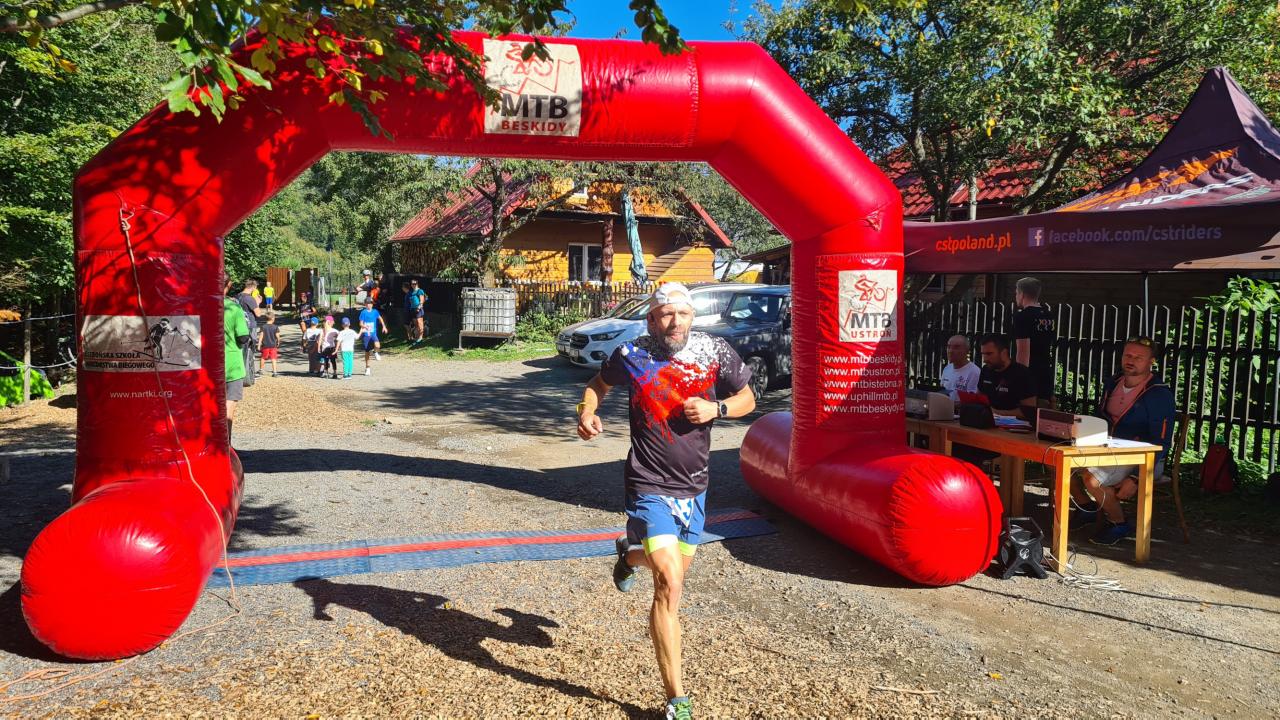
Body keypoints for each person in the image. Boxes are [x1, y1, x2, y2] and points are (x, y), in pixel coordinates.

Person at [576, 281, 756, 720]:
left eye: (683, 314)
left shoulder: (713, 351)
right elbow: (597, 384)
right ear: (652, 320)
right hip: (648, 483)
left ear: (693, 316)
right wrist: (586, 412)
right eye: (666, 315)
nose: (675, 322)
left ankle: (628, 556)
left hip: (695, 487)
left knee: (667, 570)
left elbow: (748, 398)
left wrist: (717, 409)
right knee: (671, 584)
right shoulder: (632, 353)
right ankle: (677, 700)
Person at [1070, 336, 1177, 545]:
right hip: (1107, 450)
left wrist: (1136, 477)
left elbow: (1161, 443)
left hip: (1143, 459)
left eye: (1138, 357)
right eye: (1128, 355)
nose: (1131, 360)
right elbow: (1102, 418)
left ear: (1151, 362)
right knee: (1059, 465)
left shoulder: (1159, 395)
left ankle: (1118, 523)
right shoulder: (1114, 382)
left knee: (1091, 478)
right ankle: (1088, 508)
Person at [1011, 277, 1057, 407]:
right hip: (1046, 372)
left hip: (1030, 374)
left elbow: (1023, 353)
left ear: (1022, 294)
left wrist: (1019, 379)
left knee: (1027, 413)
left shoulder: (1022, 317)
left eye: (1016, 293)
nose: (1016, 296)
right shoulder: (1048, 316)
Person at [976, 333, 1037, 417]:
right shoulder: (986, 370)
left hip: (1013, 423)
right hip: (986, 419)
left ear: (1004, 353)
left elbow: (1029, 411)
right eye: (983, 354)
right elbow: (979, 398)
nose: (985, 359)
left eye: (989, 354)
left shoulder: (1022, 373)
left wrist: (996, 413)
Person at [223, 277, 250, 443]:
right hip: (232, 364)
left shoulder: (201, 305)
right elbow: (243, 337)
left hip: (205, 364)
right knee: (229, 406)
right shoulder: (233, 307)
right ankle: (226, 445)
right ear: (229, 284)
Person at [940, 334, 980, 402]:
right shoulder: (947, 368)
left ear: (967, 351)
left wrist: (953, 405)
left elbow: (972, 400)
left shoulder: (974, 372)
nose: (950, 351)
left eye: (956, 347)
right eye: (948, 347)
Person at [358, 297, 389, 375]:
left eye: (371, 303)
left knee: (377, 345)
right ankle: (367, 368)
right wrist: (364, 326)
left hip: (373, 333)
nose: (369, 305)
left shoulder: (375, 311)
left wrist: (384, 326)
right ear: (365, 304)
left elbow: (380, 318)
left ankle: (375, 352)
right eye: (368, 303)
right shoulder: (363, 312)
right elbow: (360, 323)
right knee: (367, 352)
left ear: (372, 304)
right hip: (366, 334)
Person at [258, 312, 281, 377]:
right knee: (273, 358)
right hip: (273, 346)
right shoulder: (275, 327)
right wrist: (278, 342)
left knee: (263, 357)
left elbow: (261, 336)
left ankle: (261, 370)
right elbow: (278, 337)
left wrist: (259, 345)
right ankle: (275, 372)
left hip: (265, 345)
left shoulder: (263, 327)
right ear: (273, 318)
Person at [406, 279, 427, 343]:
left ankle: (421, 337)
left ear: (417, 284)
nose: (413, 285)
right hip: (412, 309)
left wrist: (419, 308)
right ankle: (417, 337)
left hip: (418, 309)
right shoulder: (411, 292)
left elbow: (422, 300)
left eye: (415, 284)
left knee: (420, 323)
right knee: (416, 324)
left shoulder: (420, 291)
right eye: (412, 284)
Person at [319, 315, 339, 379]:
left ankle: (326, 373)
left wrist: (319, 347)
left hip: (325, 348)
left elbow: (320, 339)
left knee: (326, 361)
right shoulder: (335, 330)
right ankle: (335, 373)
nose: (334, 323)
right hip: (332, 347)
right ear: (330, 322)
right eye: (333, 322)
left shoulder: (322, 330)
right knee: (333, 361)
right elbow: (339, 338)